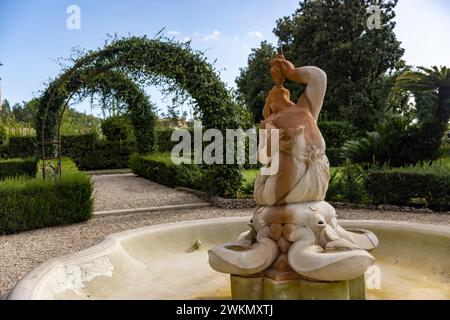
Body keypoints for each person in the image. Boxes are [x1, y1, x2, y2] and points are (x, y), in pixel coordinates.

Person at [254, 54, 330, 206]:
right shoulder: (269, 122)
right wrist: (278, 144)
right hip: (284, 186)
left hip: (316, 183)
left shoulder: (306, 109)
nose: (280, 91)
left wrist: (291, 72)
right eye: (272, 96)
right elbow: (262, 157)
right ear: (269, 105)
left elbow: (318, 77)